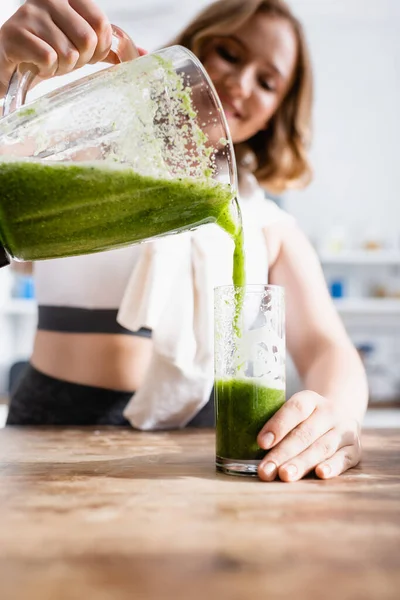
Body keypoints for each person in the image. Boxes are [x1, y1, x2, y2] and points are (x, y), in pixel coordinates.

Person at [0, 0, 368, 482]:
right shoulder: (74, 158)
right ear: (193, 50)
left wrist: (337, 413)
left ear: (276, 112)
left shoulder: (265, 224)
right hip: (51, 426)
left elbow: (326, 347)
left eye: (267, 81)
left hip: (200, 445)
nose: (241, 83)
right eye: (230, 54)